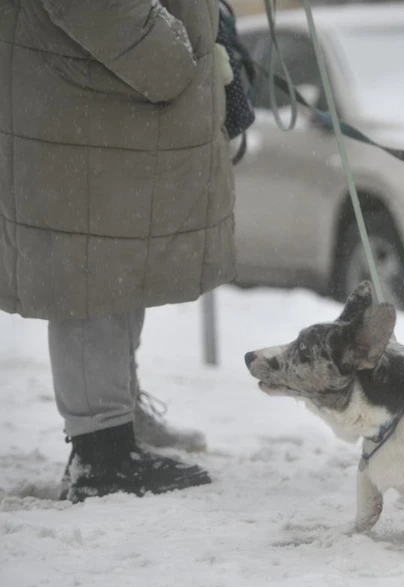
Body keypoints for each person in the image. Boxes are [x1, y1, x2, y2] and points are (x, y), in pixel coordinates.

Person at [0, 0, 237, 502]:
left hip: (100, 99)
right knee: (88, 273)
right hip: (86, 98)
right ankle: (102, 452)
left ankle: (117, 417)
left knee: (117, 261)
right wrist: (171, 55)